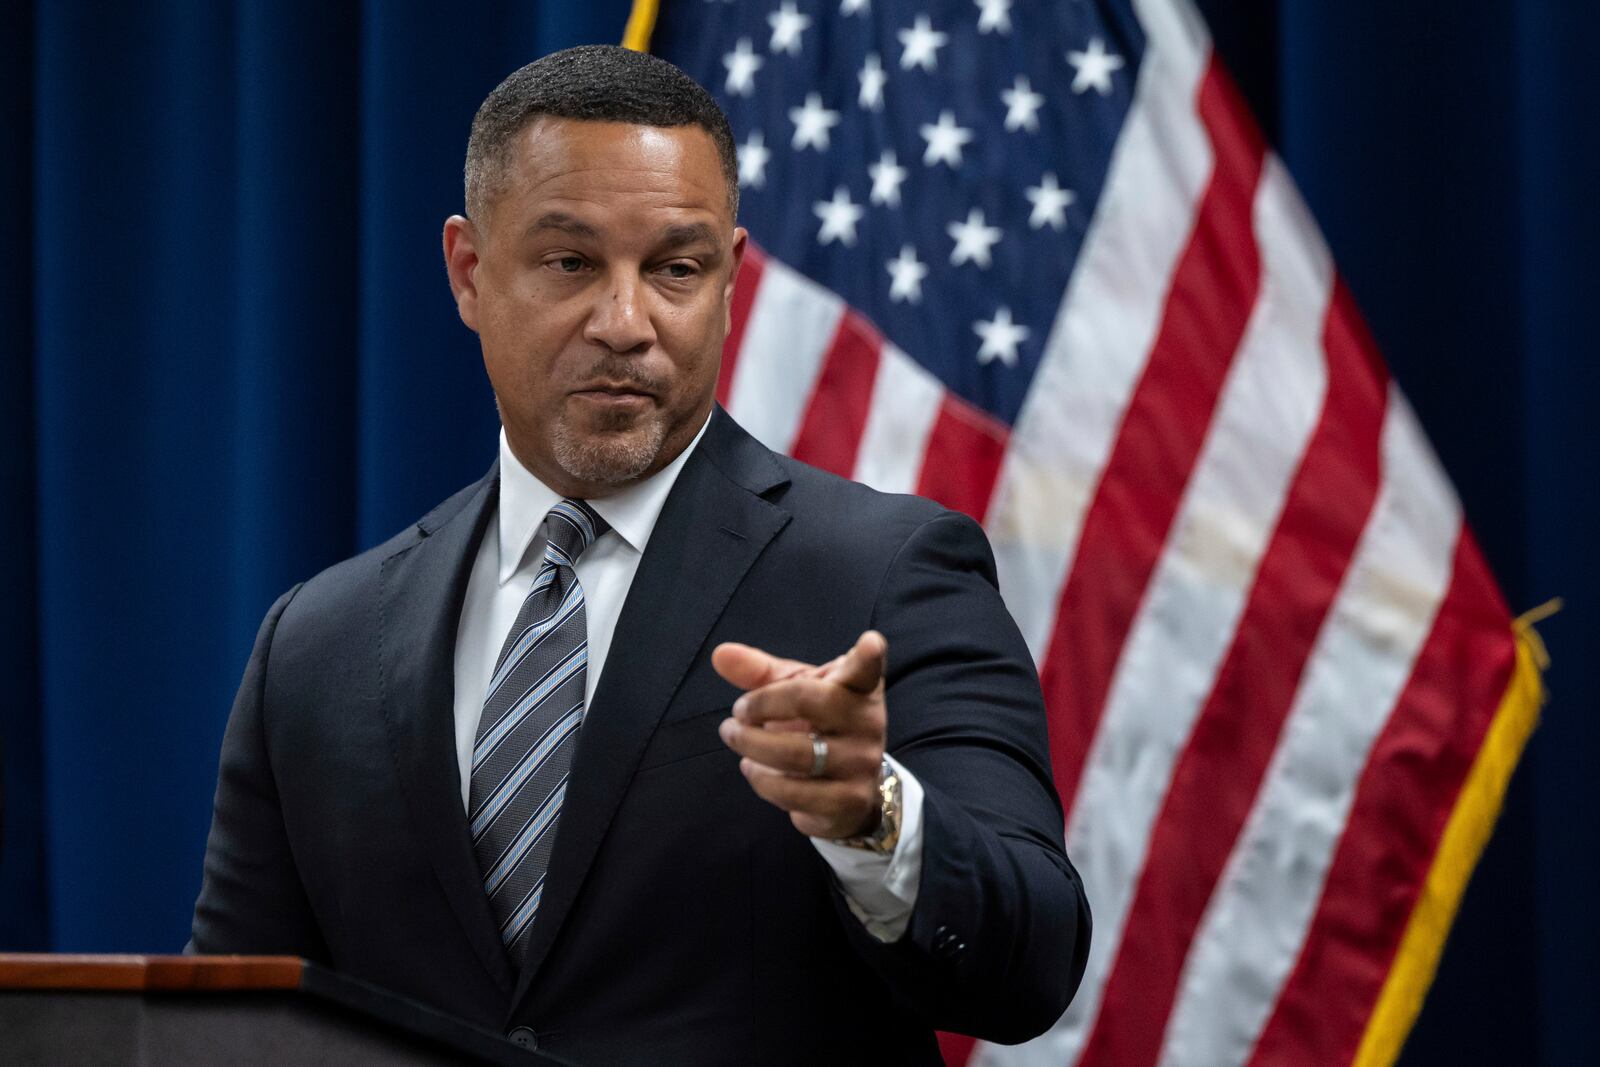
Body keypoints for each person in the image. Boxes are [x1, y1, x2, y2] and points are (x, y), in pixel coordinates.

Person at [189, 45, 1089, 1065]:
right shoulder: (316, 640)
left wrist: (873, 816)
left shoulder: (887, 572)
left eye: (675, 268)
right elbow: (234, 1027)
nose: (626, 323)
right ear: (470, 273)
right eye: (571, 262)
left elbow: (1032, 960)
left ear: (729, 282)